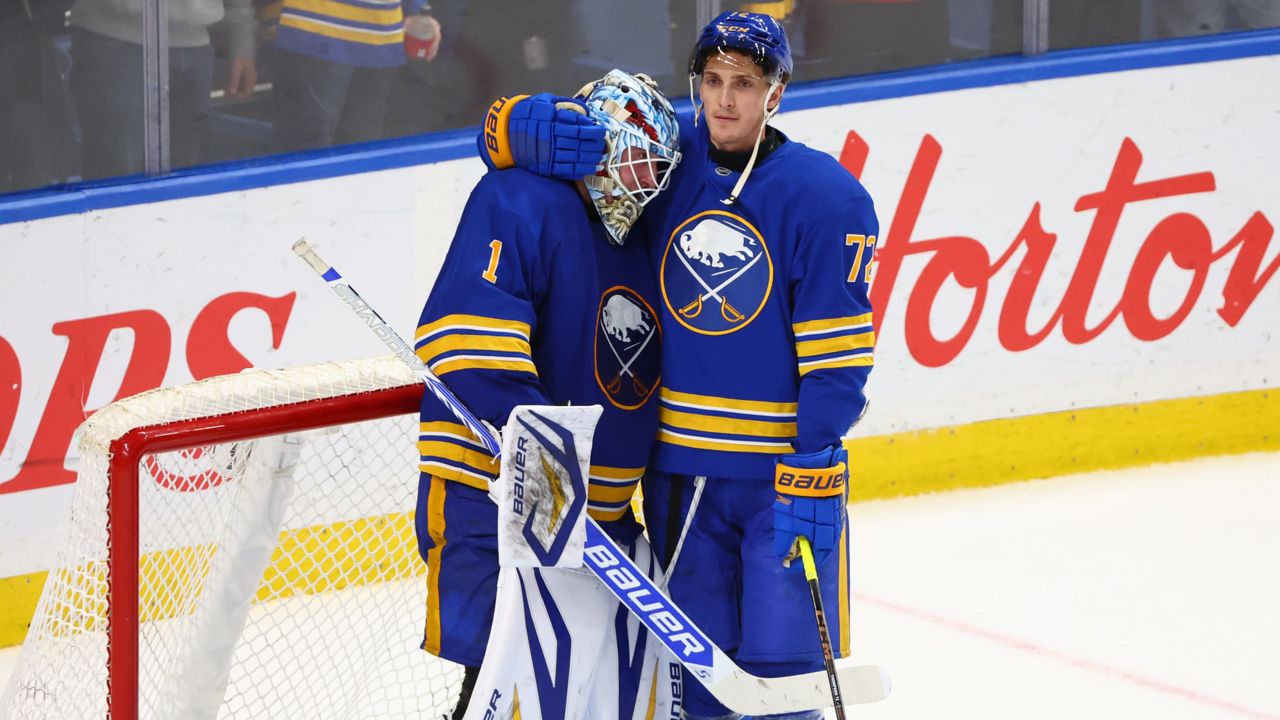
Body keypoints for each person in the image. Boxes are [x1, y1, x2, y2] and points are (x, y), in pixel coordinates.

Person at [479, 11, 879, 719]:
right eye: (713, 80)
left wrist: (817, 453)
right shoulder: (662, 157)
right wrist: (514, 127)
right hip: (679, 476)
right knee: (700, 673)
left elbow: (838, 356)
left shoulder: (826, 197)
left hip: (780, 479)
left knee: (786, 673)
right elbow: (552, 151)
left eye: (744, 84)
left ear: (776, 93)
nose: (725, 100)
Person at [412, 69, 682, 719]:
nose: (646, 182)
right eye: (636, 161)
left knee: (575, 694)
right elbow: (471, 340)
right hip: (500, 496)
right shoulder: (518, 198)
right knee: (500, 686)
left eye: (657, 169)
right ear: (597, 143)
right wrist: (545, 471)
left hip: (596, 519)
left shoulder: (639, 240)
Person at [67, 0, 257, 179]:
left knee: (186, 186)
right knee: (117, 181)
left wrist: (240, 37)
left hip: (195, 42)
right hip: (114, 36)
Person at [271, 0, 441, 152]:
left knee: (357, 160)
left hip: (378, 37)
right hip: (318, 31)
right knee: (307, 158)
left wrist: (419, 11)